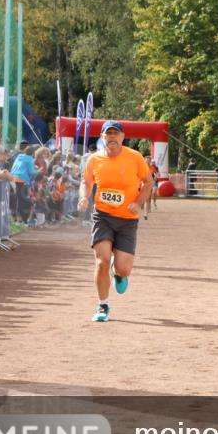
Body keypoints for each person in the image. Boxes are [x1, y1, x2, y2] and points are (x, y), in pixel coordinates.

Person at [77, 121, 152, 322]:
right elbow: (86, 181)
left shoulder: (135, 157)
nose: (111, 137)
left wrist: (138, 203)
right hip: (103, 216)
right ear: (102, 137)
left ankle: (118, 272)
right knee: (101, 261)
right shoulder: (94, 160)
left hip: (127, 219)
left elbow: (148, 182)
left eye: (115, 133)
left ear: (122, 136)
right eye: (107, 134)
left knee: (123, 269)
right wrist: (84, 197)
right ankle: (103, 305)